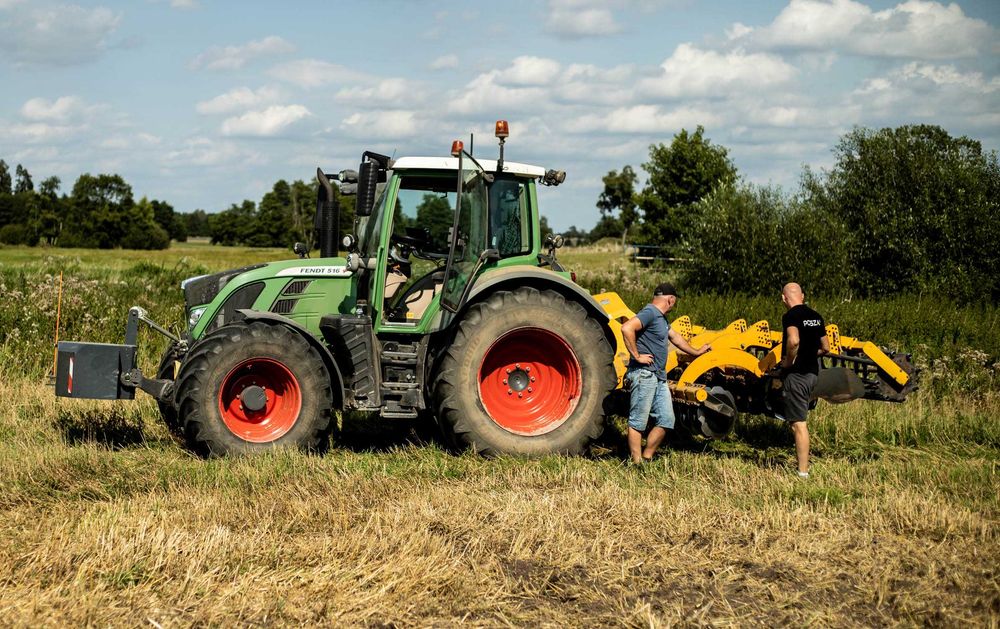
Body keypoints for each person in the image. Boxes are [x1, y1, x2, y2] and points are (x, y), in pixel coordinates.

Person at [620, 282, 710, 464]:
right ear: (671, 299)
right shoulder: (650, 312)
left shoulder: (661, 319)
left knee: (667, 420)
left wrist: (697, 352)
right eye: (674, 302)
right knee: (638, 421)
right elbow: (626, 328)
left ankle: (647, 457)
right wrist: (637, 356)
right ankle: (636, 463)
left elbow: (676, 338)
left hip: (659, 377)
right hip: (644, 373)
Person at [778, 282, 830, 478]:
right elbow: (826, 347)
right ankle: (803, 469)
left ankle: (803, 472)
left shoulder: (791, 316)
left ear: (784, 298)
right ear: (803, 296)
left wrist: (788, 362)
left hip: (797, 375)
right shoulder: (816, 317)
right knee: (799, 421)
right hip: (812, 374)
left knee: (798, 424)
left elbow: (793, 341)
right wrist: (809, 354)